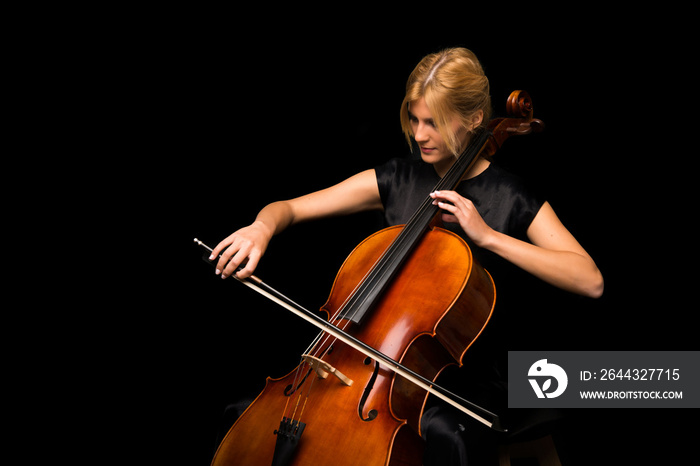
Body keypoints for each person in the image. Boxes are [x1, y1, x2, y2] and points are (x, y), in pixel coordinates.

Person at [210, 47, 604, 465]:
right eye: (414, 119)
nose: (418, 135)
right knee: (241, 412)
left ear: (473, 119)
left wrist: (488, 237)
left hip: (464, 377)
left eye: (432, 122)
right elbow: (288, 208)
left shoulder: (509, 195)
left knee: (444, 435)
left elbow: (589, 279)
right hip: (372, 368)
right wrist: (261, 227)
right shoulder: (397, 178)